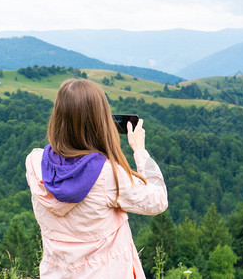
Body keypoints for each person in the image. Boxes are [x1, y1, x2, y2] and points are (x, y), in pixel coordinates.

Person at [25, 78, 168, 278]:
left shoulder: (35, 163)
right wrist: (140, 151)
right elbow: (157, 200)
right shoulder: (108, 175)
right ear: (99, 121)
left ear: (57, 117)